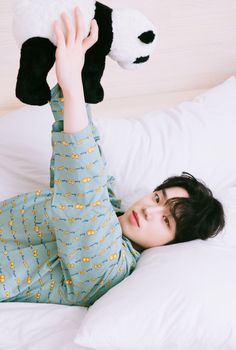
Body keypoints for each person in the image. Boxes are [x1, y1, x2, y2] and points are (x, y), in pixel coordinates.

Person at [0, 7, 225, 307]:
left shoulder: (111, 268)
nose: (149, 211)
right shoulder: (109, 206)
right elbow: (86, 149)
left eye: (167, 221)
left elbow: (82, 191)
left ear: (170, 246)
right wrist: (81, 65)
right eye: (158, 199)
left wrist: (73, 85)